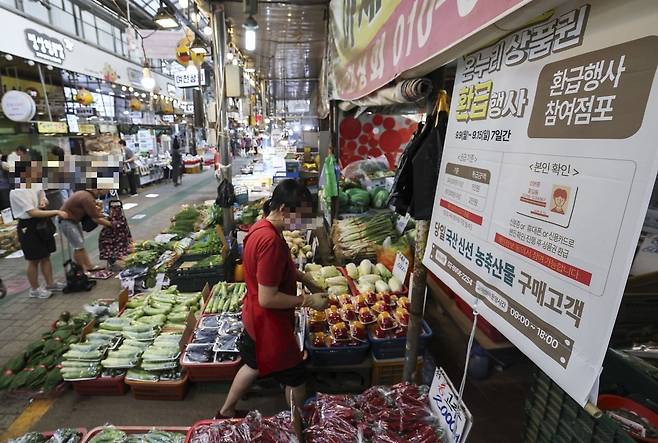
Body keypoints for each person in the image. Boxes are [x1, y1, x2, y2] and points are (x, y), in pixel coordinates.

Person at [218, 179, 328, 419]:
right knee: (297, 379)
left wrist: (305, 279)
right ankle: (295, 428)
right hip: (269, 324)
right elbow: (268, 298)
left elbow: (273, 272)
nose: (302, 223)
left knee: (252, 364)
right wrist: (307, 301)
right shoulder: (270, 242)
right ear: (284, 210)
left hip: (254, 316)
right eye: (300, 217)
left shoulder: (261, 228)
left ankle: (226, 411)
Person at [10, 159, 68, 298]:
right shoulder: (17, 191)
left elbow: (42, 194)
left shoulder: (34, 183)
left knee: (46, 255)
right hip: (28, 226)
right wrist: (56, 212)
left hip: (42, 222)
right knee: (34, 259)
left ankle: (50, 283)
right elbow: (32, 212)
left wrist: (43, 200)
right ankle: (34, 289)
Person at [59, 189, 112, 274]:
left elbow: (95, 213)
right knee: (78, 246)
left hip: (73, 220)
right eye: (107, 188)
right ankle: (82, 270)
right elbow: (95, 217)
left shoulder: (88, 195)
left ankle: (89, 266)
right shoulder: (87, 198)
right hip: (66, 221)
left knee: (80, 244)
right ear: (101, 189)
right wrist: (112, 224)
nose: (109, 190)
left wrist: (106, 216)